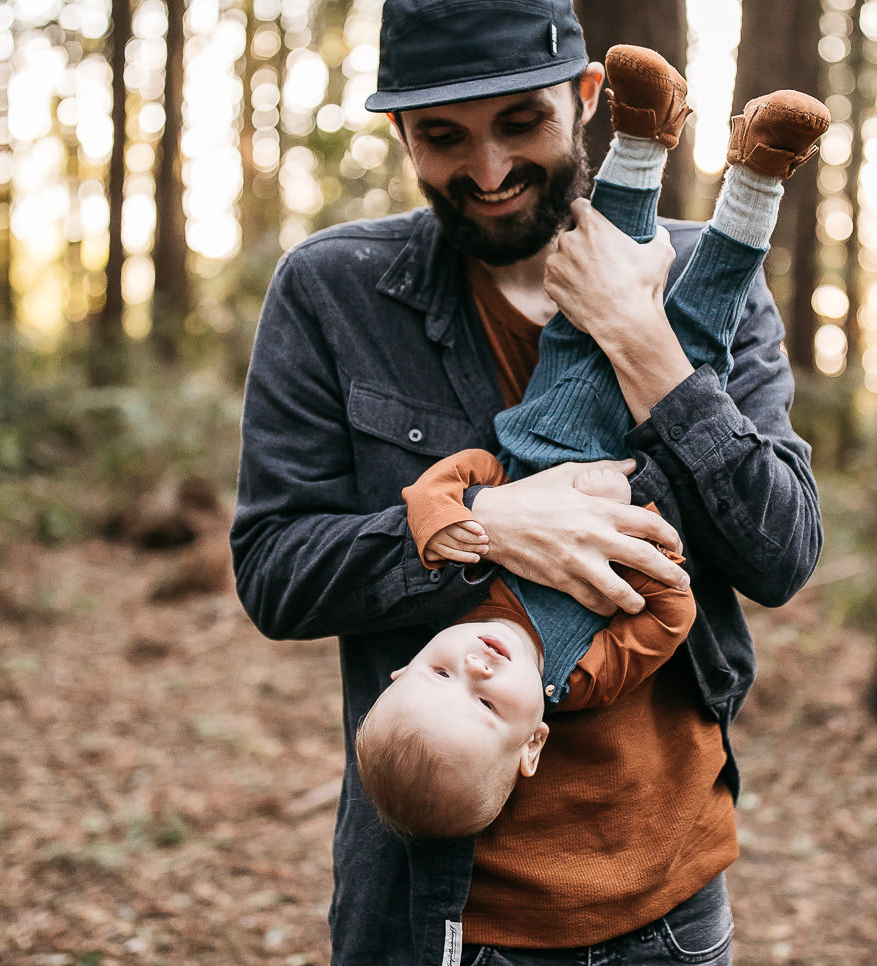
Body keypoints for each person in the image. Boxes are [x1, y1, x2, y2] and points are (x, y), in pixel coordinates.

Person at [232, 0, 821, 966]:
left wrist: (643, 339)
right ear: (403, 136)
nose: (490, 167)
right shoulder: (332, 293)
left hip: (671, 914)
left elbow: (782, 553)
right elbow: (274, 570)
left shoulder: (709, 277)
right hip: (442, 933)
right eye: (443, 137)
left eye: (520, 123)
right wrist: (488, 526)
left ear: (588, 98)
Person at [354, 45, 829, 844]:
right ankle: (760, 173)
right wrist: (653, 553)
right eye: (485, 704)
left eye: (439, 672)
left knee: (585, 325)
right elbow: (664, 621)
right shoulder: (579, 677)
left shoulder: (460, 590)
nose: (474, 668)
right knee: (704, 320)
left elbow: (456, 479)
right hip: (651, 463)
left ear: (405, 664)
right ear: (532, 741)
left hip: (558, 411)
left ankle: (641, 134)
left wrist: (477, 515)